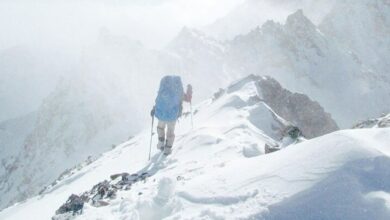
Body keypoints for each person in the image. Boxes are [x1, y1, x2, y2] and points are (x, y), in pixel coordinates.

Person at [150, 75, 192, 155]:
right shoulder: (178, 91)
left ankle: (161, 143)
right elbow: (188, 99)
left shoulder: (163, 90)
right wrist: (189, 90)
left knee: (160, 127)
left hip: (162, 114)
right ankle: (167, 150)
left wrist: (154, 110)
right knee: (170, 132)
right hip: (173, 116)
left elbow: (158, 101)